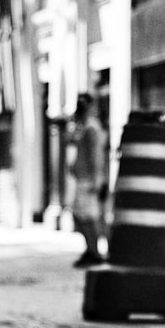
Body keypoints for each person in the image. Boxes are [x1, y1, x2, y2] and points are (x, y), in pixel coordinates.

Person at [67, 93, 109, 267]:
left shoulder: (91, 128)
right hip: (84, 179)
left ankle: (95, 252)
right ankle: (91, 249)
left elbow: (95, 156)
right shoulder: (84, 127)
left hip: (88, 181)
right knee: (82, 216)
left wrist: (96, 180)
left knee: (87, 217)